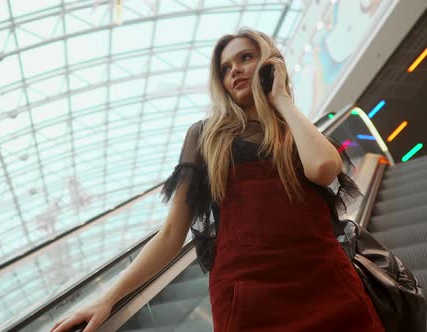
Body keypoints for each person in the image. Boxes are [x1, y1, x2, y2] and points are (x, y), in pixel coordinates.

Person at [50, 28, 385, 332]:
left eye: (246, 58)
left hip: (327, 283)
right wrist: (108, 297)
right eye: (225, 68)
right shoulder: (206, 136)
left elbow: (325, 168)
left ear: (271, 64)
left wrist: (280, 98)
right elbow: (170, 235)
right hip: (248, 298)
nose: (235, 70)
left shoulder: (295, 130)